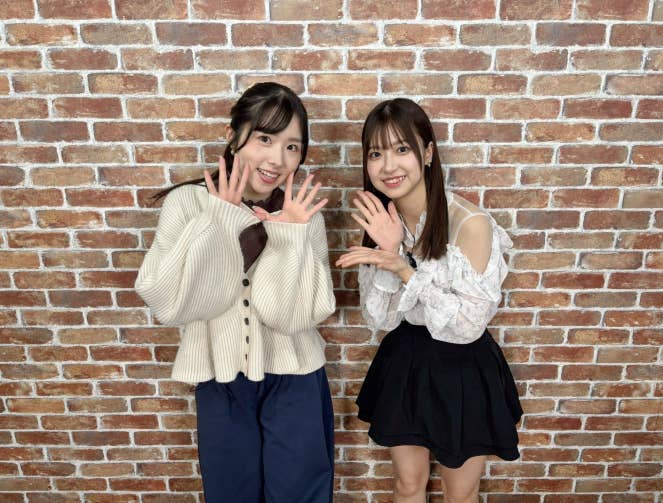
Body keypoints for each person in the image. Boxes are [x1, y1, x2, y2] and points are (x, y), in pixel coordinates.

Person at [136, 82, 336, 503]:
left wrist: (289, 238)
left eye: (292, 147)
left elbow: (288, 317)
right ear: (233, 135)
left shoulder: (303, 215)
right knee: (231, 494)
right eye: (265, 139)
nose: (277, 159)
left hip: (297, 378)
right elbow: (172, 304)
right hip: (221, 378)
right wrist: (219, 221)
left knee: (301, 495)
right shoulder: (188, 204)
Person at [336, 98, 523, 503]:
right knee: (407, 485)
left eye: (402, 148)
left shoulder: (470, 223)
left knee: (461, 493)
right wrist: (388, 252)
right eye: (376, 153)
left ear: (427, 153)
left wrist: (402, 267)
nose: (388, 165)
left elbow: (469, 326)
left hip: (464, 366)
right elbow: (382, 319)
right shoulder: (381, 222)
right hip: (407, 358)